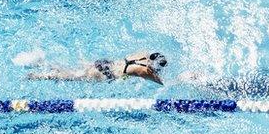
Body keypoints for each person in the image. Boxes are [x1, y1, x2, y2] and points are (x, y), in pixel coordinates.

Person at [26, 50, 168, 85]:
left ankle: (41, 63)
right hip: (104, 74)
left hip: (104, 63)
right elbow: (163, 83)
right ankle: (36, 76)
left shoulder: (143, 54)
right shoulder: (144, 71)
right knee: (70, 76)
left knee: (72, 70)